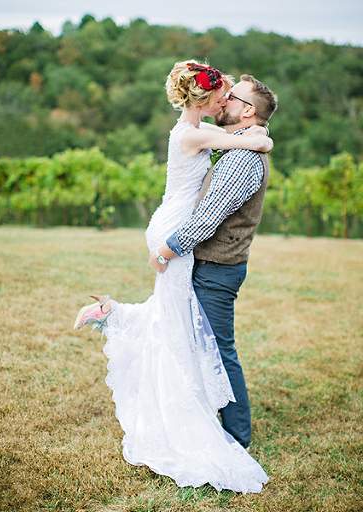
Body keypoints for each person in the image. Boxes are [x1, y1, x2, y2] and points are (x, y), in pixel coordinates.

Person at [73, 61, 274, 493]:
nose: (225, 99)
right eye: (221, 94)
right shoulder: (198, 133)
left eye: (232, 96)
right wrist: (261, 135)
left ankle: (113, 313)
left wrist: (167, 248)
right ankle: (197, 413)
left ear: (246, 110)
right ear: (204, 100)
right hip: (175, 232)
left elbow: (212, 209)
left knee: (187, 329)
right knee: (183, 328)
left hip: (189, 243)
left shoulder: (214, 138)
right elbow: (251, 141)